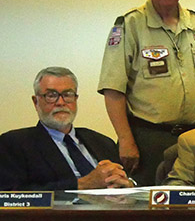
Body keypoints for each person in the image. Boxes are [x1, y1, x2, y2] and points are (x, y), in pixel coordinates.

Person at [98, 0, 195, 186]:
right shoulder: (130, 25)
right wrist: (125, 139)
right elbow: (113, 89)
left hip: (194, 138)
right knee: (149, 209)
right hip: (149, 140)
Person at [0, 67, 132, 190]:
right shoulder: (15, 144)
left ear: (76, 99)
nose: (61, 102)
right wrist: (83, 184)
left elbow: (124, 181)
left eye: (67, 94)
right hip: (58, 214)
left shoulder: (102, 142)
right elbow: (12, 194)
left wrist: (128, 185)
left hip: (112, 211)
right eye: (51, 95)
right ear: (36, 102)